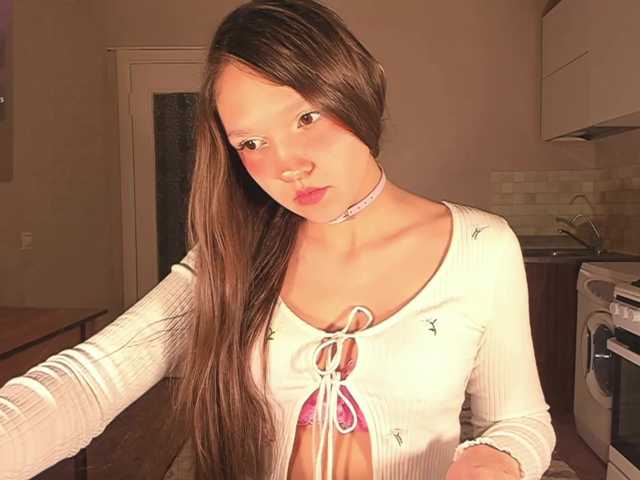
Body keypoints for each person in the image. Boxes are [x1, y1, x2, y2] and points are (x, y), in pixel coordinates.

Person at [0, 1, 556, 479]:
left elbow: (520, 421)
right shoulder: (231, 258)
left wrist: (495, 461)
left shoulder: (481, 246)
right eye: (252, 143)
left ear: (360, 88)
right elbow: (88, 381)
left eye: (306, 117)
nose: (287, 165)